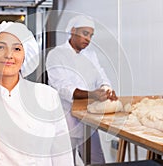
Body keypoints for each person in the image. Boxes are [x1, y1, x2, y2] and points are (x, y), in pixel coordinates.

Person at [0, 21, 74, 166]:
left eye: (16, 48)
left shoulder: (48, 96)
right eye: (0, 47)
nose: (9, 55)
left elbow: (61, 153)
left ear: (24, 56)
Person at [46, 15, 118, 164]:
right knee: (66, 162)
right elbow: (63, 88)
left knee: (97, 161)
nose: (88, 39)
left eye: (91, 35)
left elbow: (101, 76)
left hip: (88, 121)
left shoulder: (91, 56)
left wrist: (106, 89)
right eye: (85, 33)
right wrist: (92, 94)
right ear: (73, 31)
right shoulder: (56, 55)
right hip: (66, 121)